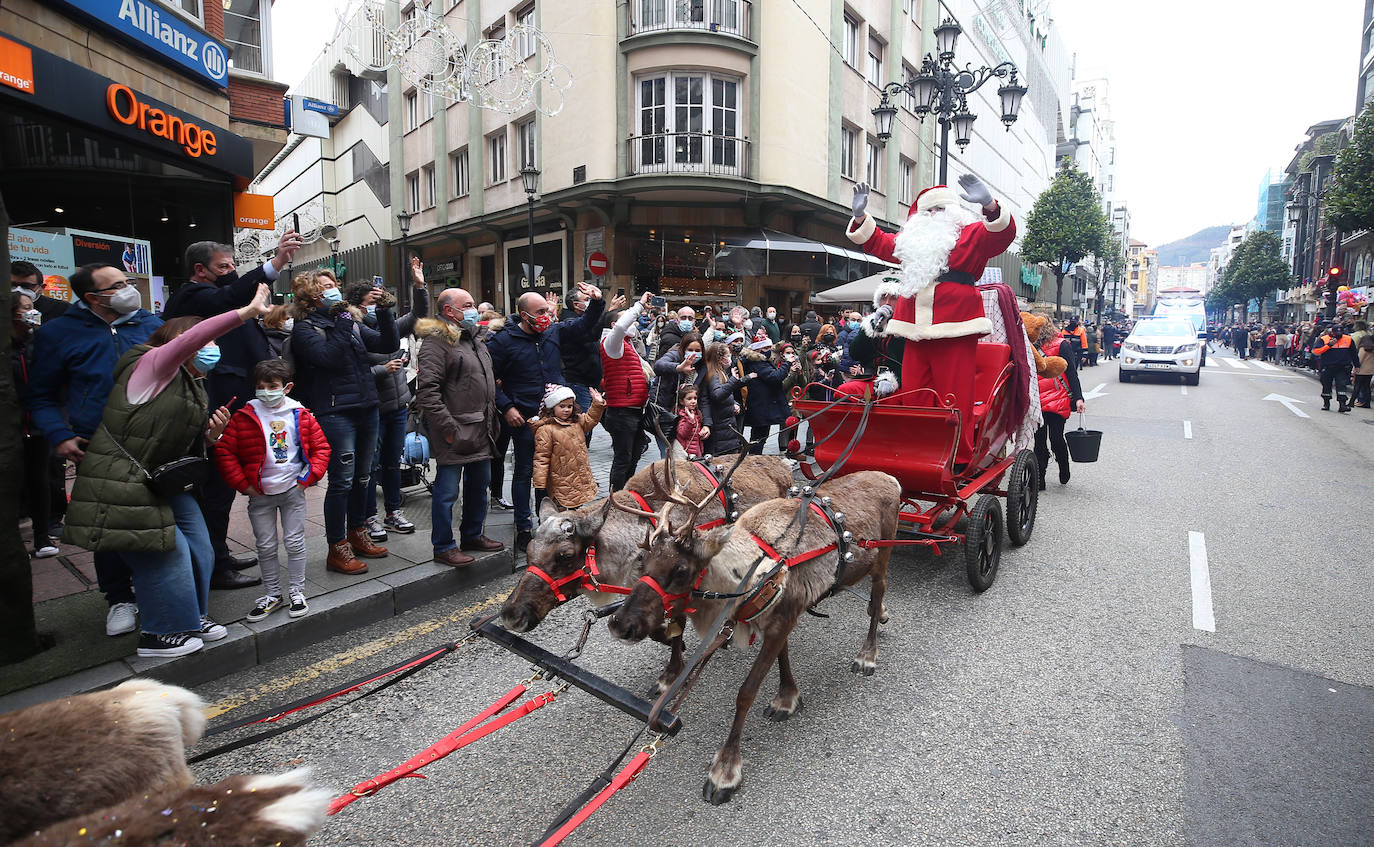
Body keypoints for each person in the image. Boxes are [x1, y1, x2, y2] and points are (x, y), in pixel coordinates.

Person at [64, 286, 272, 658]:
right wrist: (246, 311)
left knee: (200, 548)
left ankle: (190, 615)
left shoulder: (192, 385)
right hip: (125, 479)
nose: (207, 347)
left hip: (163, 480)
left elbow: (176, 442)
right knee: (164, 552)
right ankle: (159, 633)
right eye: (195, 339)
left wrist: (210, 437)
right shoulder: (148, 365)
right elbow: (192, 338)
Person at [25, 262, 163, 637]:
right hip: (99, 444)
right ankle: (119, 597)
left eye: (127, 282)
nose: (127, 289)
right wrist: (60, 435)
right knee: (109, 526)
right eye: (116, 285)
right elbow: (40, 395)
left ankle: (163, 595)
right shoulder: (59, 333)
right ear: (92, 297)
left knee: (166, 521)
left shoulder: (147, 324)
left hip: (157, 440)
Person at [162, 231, 303, 589]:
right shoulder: (193, 295)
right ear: (200, 270)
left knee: (221, 488)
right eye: (223, 266)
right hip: (214, 409)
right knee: (214, 490)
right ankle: (212, 565)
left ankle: (218, 555)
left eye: (232, 266)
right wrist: (275, 264)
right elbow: (230, 296)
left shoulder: (217, 295)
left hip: (229, 405)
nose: (230, 272)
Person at [846, 174, 1016, 466]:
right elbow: (880, 243)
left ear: (954, 212)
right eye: (928, 211)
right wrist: (861, 216)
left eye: (940, 209)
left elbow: (1001, 235)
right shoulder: (911, 243)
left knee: (955, 394)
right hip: (913, 328)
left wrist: (989, 204)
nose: (934, 215)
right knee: (915, 393)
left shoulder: (971, 234)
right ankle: (919, 449)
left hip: (955, 327)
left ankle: (959, 456)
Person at [289, 268, 398, 574]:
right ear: (312, 295)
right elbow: (327, 358)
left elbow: (385, 342)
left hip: (366, 406)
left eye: (334, 285)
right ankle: (337, 546)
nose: (334, 290)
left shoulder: (348, 322)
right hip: (335, 411)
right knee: (342, 481)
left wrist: (385, 310)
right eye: (326, 287)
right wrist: (342, 322)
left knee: (364, 476)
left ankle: (357, 532)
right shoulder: (305, 328)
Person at [487, 283, 605, 552]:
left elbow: (584, 325)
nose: (546, 315)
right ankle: (523, 527)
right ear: (523, 314)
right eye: (539, 311)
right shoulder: (503, 341)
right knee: (525, 472)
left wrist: (597, 302)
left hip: (556, 420)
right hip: (525, 418)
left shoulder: (554, 331)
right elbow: (488, 379)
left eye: (547, 310)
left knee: (553, 473)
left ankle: (550, 522)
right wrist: (506, 407)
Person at [212, 359, 330, 622]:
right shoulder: (244, 416)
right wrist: (243, 484)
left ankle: (297, 592)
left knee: (295, 542)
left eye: (272, 386)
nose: (266, 391)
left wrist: (308, 478)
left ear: (287, 387)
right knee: (264, 546)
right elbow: (224, 450)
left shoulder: (300, 414)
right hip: (260, 496)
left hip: (292, 491)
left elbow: (322, 448)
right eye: (260, 386)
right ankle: (273, 594)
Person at [414, 287, 505, 566]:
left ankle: (472, 535)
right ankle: (444, 546)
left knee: (480, 486)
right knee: (447, 492)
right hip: (455, 431)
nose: (473, 309)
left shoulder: (474, 339)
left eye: (473, 303)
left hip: (482, 428)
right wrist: (449, 428)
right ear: (448, 311)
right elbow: (427, 391)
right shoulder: (435, 343)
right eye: (467, 304)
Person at [348, 257, 429, 542]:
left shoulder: (389, 326)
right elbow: (351, 372)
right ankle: (368, 516)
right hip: (372, 408)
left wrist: (418, 285)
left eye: (381, 299)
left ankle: (393, 512)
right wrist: (383, 370)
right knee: (370, 465)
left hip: (397, 405)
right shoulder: (353, 329)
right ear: (358, 302)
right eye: (374, 299)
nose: (379, 304)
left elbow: (418, 314)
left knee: (393, 462)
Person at [12, 290, 57, 557]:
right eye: (26, 308)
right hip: (12, 427)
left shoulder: (39, 343)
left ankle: (42, 538)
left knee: (40, 479)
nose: (32, 312)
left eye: (33, 306)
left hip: (39, 426)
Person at [600, 292, 653, 491]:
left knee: (635, 453)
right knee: (623, 458)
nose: (634, 322)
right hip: (622, 412)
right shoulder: (611, 344)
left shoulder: (624, 344)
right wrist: (639, 305)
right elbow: (622, 326)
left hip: (633, 410)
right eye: (627, 318)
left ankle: (624, 493)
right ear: (614, 326)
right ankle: (616, 498)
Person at [1027, 314, 1085, 489]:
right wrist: (1078, 398)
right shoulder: (1059, 344)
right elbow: (1072, 374)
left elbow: (1071, 373)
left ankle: (1047, 475)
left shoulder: (1055, 345)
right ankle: (1051, 473)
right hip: (1050, 398)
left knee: (1046, 439)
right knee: (1050, 439)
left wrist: (1079, 397)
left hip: (1046, 398)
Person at [531, 384, 606, 510]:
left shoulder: (576, 422)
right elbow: (541, 458)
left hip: (578, 478)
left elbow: (591, 419)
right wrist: (540, 483)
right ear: (552, 407)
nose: (566, 410)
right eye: (562, 406)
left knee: (576, 507)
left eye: (569, 406)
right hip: (559, 481)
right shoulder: (546, 430)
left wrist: (597, 404)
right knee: (559, 510)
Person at [650, 331, 708, 457]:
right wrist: (679, 368)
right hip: (666, 416)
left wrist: (707, 424)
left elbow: (703, 398)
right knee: (668, 455)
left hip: (687, 419)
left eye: (698, 350)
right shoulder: (674, 355)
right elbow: (658, 366)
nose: (694, 353)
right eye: (690, 349)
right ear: (683, 349)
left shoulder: (702, 367)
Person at [740, 338, 789, 454]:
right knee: (759, 436)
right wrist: (787, 364)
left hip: (762, 404)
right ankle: (755, 459)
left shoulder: (759, 361)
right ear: (758, 350)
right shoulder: (758, 362)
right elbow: (775, 377)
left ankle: (755, 457)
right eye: (765, 348)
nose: (768, 351)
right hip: (761, 405)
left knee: (760, 435)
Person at [702, 341, 749, 455]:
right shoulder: (714, 374)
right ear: (720, 358)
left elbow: (726, 395)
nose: (730, 358)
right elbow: (717, 395)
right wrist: (733, 380)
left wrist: (735, 404)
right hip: (720, 429)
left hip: (724, 426)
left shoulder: (720, 372)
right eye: (727, 355)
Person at [1313, 324, 1357, 412]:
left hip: (1342, 367)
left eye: (1340, 332)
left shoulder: (1348, 339)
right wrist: (1329, 345)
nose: (1338, 334)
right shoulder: (1324, 339)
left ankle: (1342, 405)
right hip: (1328, 366)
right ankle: (1326, 403)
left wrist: (1357, 365)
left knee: (1341, 385)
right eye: (1336, 332)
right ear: (1332, 332)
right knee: (1326, 385)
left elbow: (1354, 354)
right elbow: (1316, 351)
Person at [1353, 333, 1374, 409]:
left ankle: (1352, 401)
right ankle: (1366, 402)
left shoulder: (1363, 348)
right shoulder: (1372, 348)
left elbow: (1359, 359)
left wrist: (1355, 368)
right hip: (1370, 370)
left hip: (1362, 369)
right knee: (1367, 386)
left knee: (1357, 385)